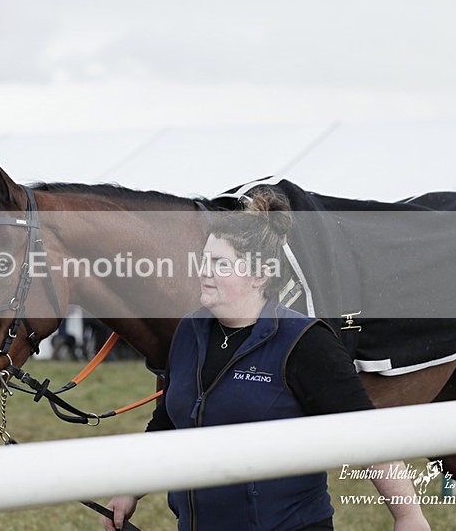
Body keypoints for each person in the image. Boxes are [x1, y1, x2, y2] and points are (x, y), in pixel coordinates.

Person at [103, 190, 430, 531]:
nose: (204, 271)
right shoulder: (189, 331)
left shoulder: (305, 342)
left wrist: (409, 516)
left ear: (259, 275)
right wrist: (130, 490)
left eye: (220, 263)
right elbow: (168, 423)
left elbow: (367, 433)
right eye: (204, 260)